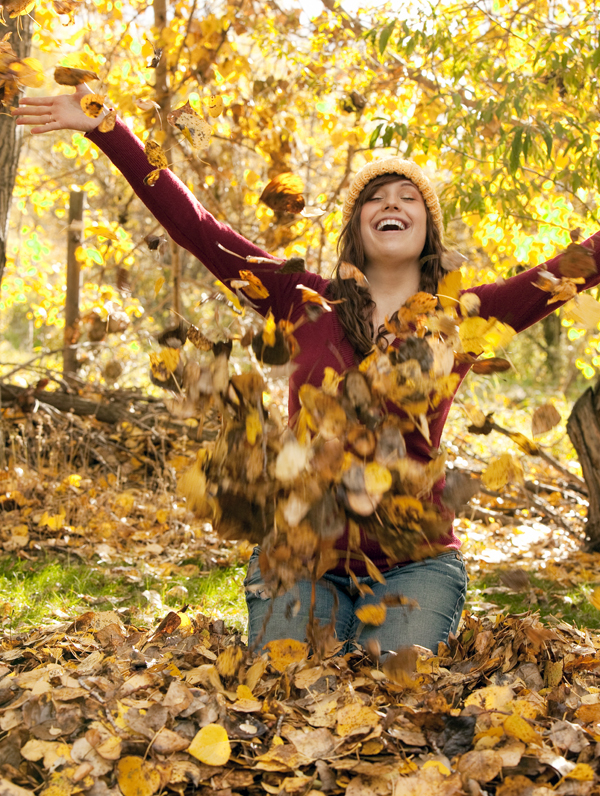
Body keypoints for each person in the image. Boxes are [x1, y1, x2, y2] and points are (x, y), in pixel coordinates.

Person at [12, 87, 600, 655]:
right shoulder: (301, 297)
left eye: (408, 197)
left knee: (394, 691)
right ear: (356, 226)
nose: (391, 203)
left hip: (415, 563)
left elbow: (569, 270)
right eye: (375, 197)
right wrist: (107, 127)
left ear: (429, 230)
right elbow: (197, 230)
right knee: (289, 683)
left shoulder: (464, 318)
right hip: (298, 557)